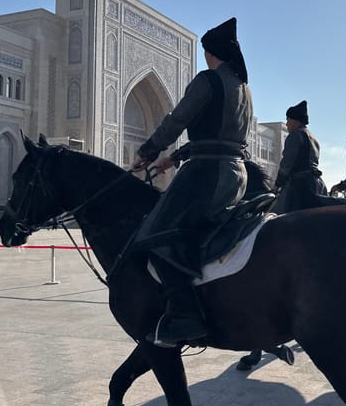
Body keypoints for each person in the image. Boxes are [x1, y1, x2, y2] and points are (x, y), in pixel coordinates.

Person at [132, 17, 252, 348]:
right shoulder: (243, 88)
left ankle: (185, 315)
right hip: (235, 172)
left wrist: (149, 150)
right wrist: (177, 157)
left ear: (210, 52)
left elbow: (179, 118)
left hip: (207, 174)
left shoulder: (209, 80)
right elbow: (218, 135)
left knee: (155, 234)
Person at [273, 100, 326, 214]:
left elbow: (286, 163)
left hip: (300, 186)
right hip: (317, 183)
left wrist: (277, 184)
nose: (286, 124)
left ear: (296, 121)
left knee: (280, 218)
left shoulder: (295, 135)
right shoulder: (313, 137)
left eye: (288, 120)